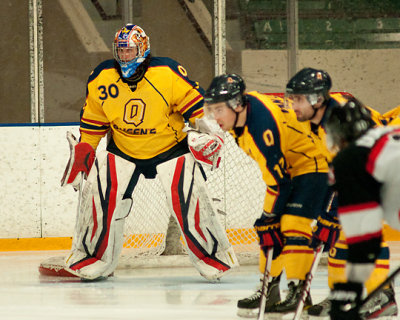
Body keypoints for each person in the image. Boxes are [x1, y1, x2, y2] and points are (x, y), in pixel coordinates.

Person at [60, 24, 239, 281]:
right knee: (101, 200)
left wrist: (213, 134)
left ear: (142, 49)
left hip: (169, 147)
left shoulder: (166, 73)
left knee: (189, 202)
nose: (125, 56)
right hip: (122, 148)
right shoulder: (102, 77)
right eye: (121, 51)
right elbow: (93, 120)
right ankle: (93, 257)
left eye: (130, 50)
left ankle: (214, 257)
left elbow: (199, 109)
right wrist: (85, 149)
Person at [203, 73, 330, 317]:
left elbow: (279, 183)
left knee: (291, 224)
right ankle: (270, 289)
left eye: (219, 110)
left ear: (237, 105)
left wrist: (269, 217)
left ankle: (298, 291)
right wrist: (269, 219)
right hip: (294, 168)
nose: (215, 117)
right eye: (212, 110)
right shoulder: (240, 119)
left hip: (315, 164)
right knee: (270, 228)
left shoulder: (261, 127)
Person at [285, 67, 398, 318]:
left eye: (300, 99)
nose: (294, 105)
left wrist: (333, 214)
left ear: (317, 99)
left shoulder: (340, 122)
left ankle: (382, 295)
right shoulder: (316, 123)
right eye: (292, 98)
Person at [325, 97, 400, 320]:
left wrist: (351, 289)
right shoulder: (386, 136)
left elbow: (365, 239)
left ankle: (382, 296)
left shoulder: (352, 158)